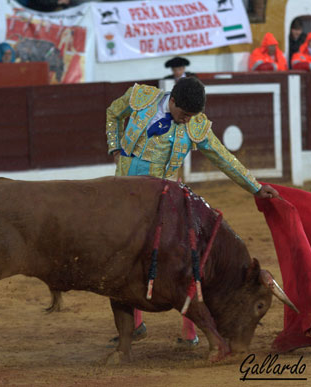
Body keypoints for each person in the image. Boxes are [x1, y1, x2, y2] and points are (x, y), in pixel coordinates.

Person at [106, 77, 279, 346]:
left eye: (191, 116)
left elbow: (223, 157)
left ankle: (190, 333)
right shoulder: (141, 98)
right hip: (124, 195)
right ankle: (135, 325)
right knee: (124, 259)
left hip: (163, 199)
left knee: (187, 263)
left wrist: (255, 187)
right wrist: (115, 146)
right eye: (184, 114)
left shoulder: (196, 126)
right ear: (172, 100)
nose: (187, 120)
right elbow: (113, 113)